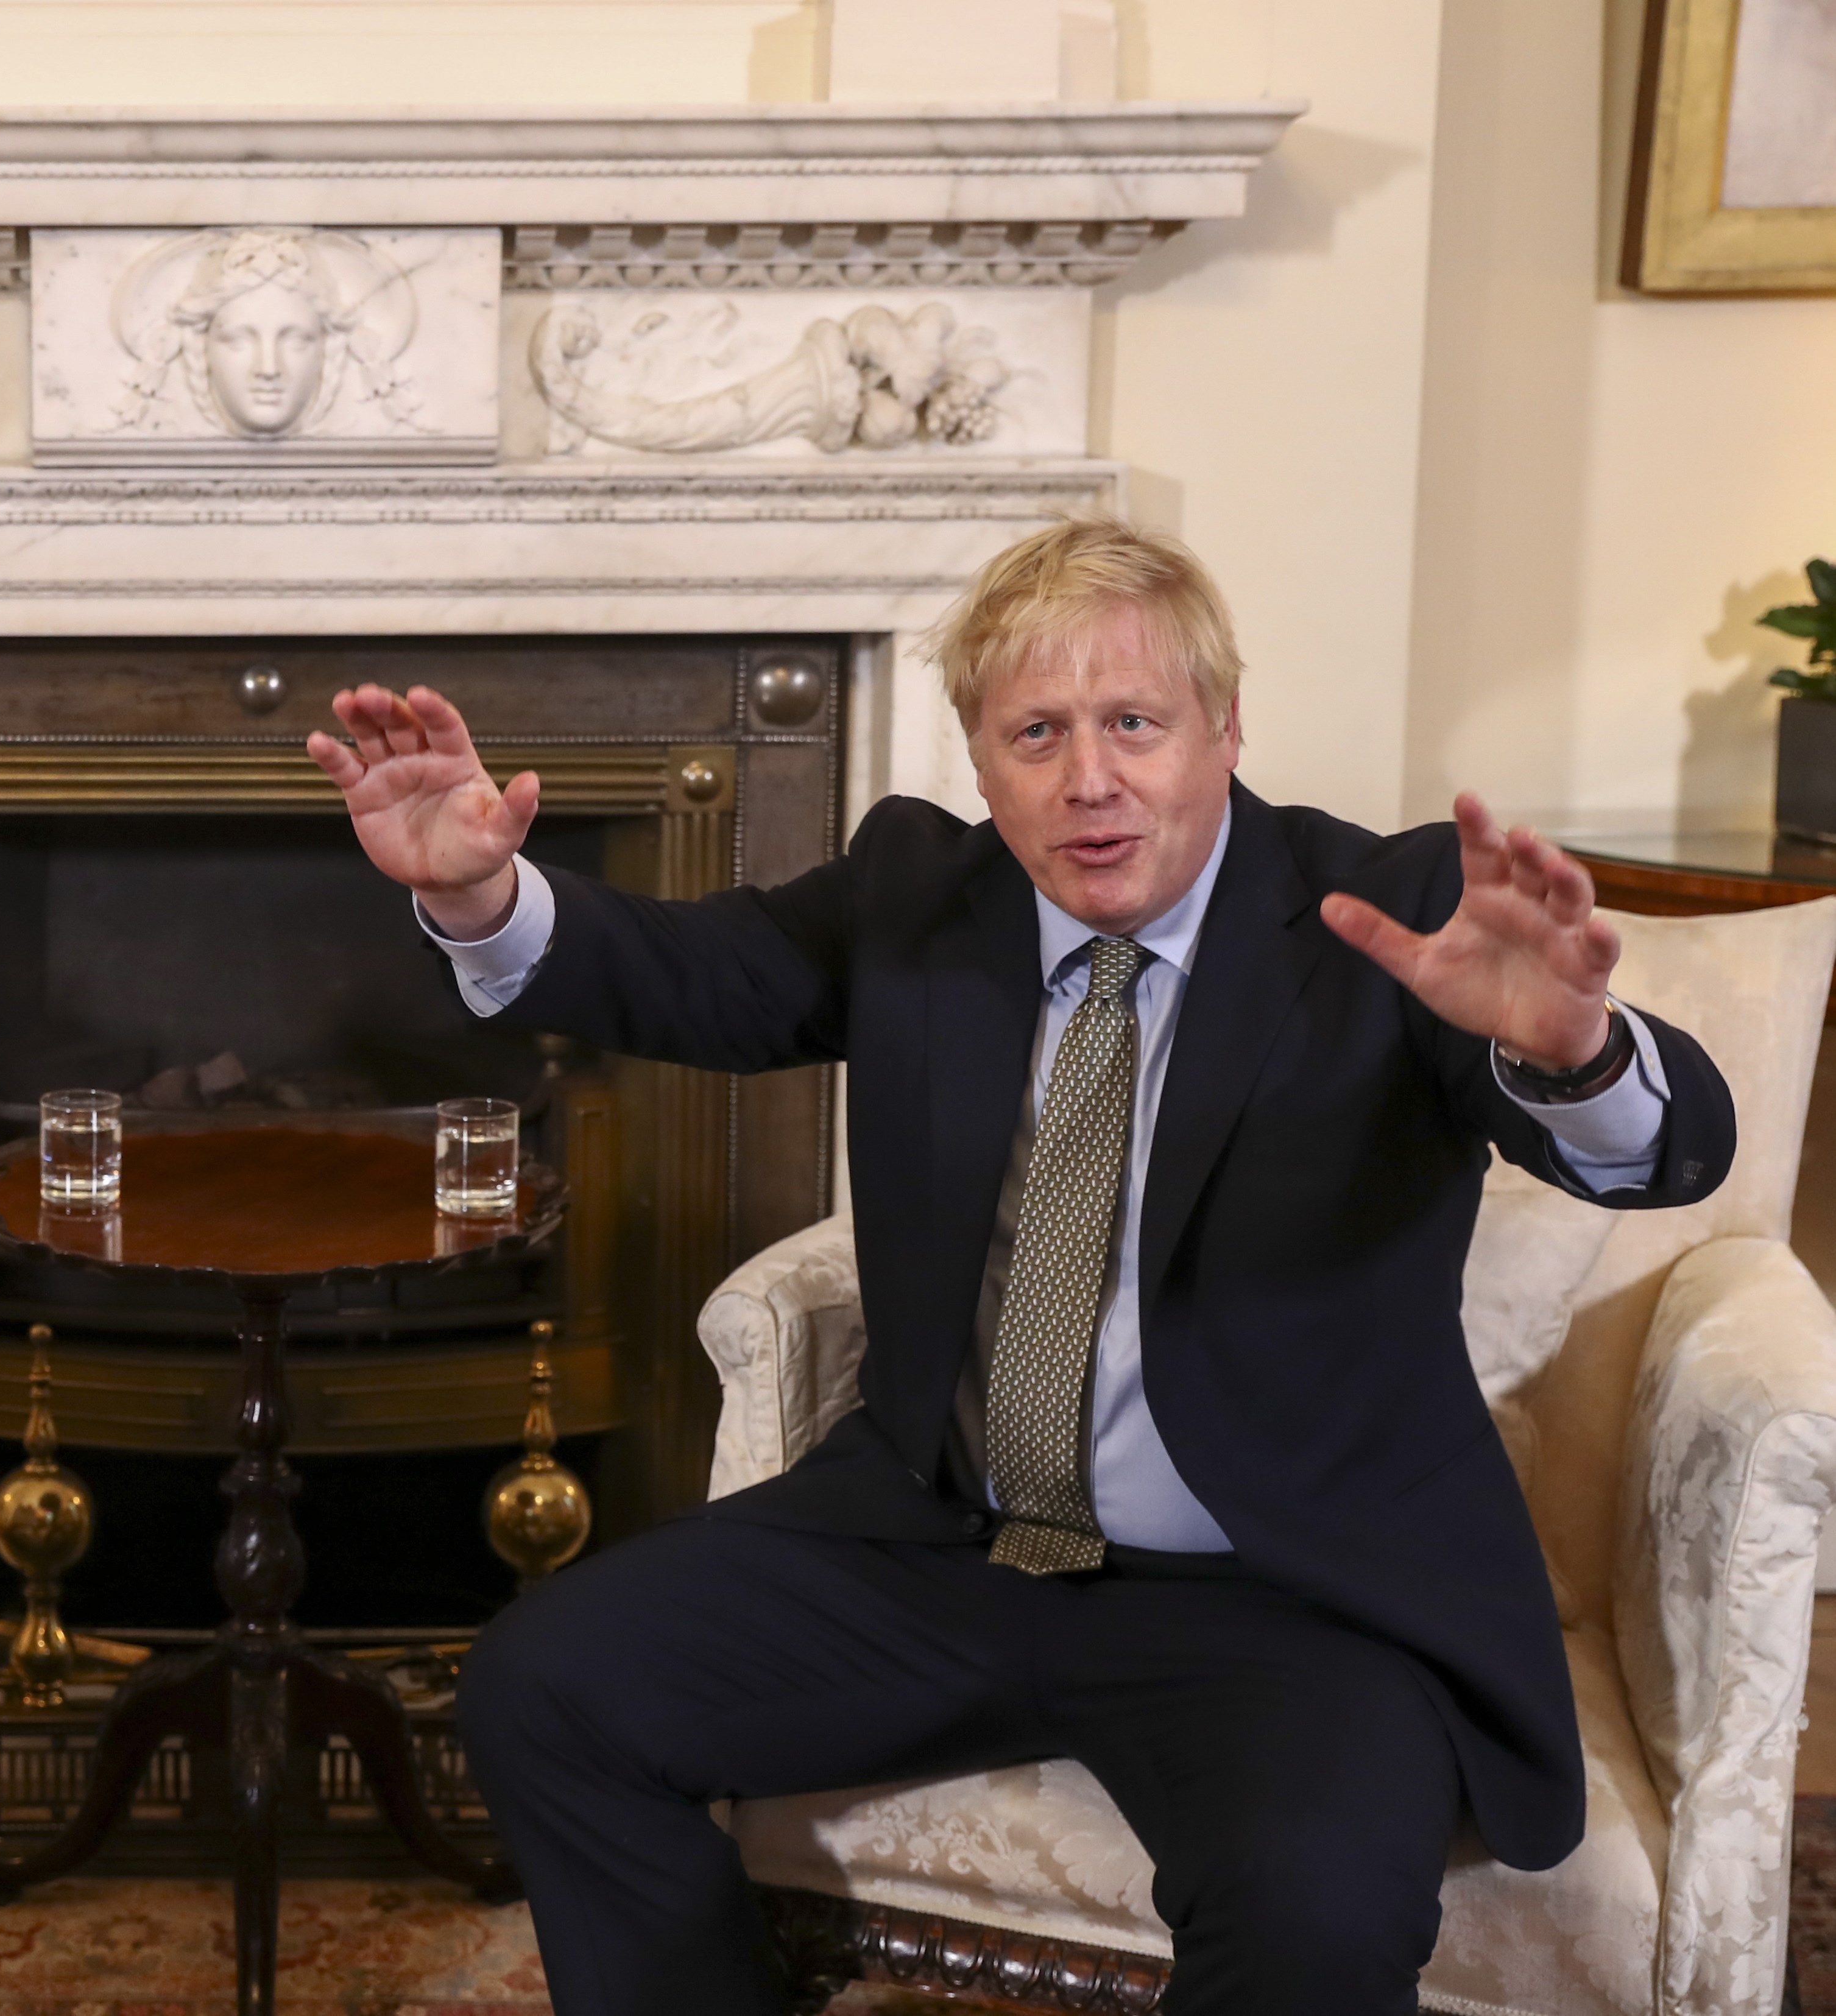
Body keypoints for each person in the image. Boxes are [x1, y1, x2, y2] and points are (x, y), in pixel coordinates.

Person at [305, 517, 1735, 2016]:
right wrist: (476, 893)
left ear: (1223, 728)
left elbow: (1664, 1147)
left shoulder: (1378, 915)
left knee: (1310, 1920)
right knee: (548, 1686)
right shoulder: (923, 893)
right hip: (945, 1546)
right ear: (981, 764)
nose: (1089, 778)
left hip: (1283, 1592)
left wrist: (1568, 1048)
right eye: (1035, 733)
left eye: (1133, 723)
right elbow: (694, 975)